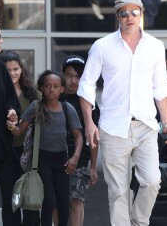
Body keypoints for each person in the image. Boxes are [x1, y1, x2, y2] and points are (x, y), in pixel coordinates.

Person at [78, 0, 167, 226]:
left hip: (146, 125)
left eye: (135, 12)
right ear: (117, 17)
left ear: (141, 14)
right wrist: (89, 122)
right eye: (124, 13)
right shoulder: (102, 46)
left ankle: (138, 221)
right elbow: (86, 84)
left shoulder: (155, 46)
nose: (130, 17)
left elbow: (160, 89)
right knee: (118, 191)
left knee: (152, 181)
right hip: (113, 127)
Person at [7, 70, 83, 226]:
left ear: (62, 88)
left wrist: (75, 157)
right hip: (41, 160)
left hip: (62, 160)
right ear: (41, 87)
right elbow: (19, 131)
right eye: (47, 86)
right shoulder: (36, 106)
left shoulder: (67, 108)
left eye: (55, 86)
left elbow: (79, 136)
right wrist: (10, 124)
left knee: (63, 204)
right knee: (49, 201)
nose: (51, 90)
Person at [0, 50, 41, 226]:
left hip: (28, 152)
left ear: (21, 69)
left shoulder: (32, 93)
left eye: (16, 69)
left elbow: (46, 113)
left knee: (29, 199)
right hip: (5, 153)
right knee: (10, 200)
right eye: (8, 70)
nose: (13, 73)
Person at [58, 55, 100, 226]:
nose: (73, 80)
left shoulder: (88, 102)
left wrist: (93, 166)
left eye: (78, 76)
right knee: (56, 201)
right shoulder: (54, 98)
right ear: (63, 75)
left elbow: (94, 136)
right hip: (55, 157)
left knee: (76, 199)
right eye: (69, 75)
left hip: (81, 159)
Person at [0, 18, 20, 219]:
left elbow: (11, 100)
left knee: (12, 197)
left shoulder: (0, 68)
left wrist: (11, 112)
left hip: (3, 144)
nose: (1, 41)